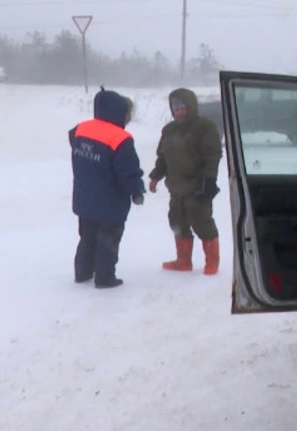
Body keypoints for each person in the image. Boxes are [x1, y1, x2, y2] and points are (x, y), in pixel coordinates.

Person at [69, 87, 145, 289]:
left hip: (84, 198)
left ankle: (82, 273)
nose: (129, 118)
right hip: (110, 203)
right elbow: (128, 170)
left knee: (87, 238)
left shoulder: (80, 129)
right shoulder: (120, 138)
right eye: (128, 114)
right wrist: (137, 191)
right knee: (107, 242)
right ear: (120, 113)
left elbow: (73, 139)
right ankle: (105, 278)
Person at [148, 88, 223, 275]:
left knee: (202, 223)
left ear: (191, 107)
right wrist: (156, 176)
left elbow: (213, 155)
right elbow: (163, 158)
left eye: (183, 108)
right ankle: (183, 261)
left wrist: (210, 180)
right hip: (176, 188)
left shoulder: (204, 127)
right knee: (177, 223)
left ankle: (212, 263)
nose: (179, 112)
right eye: (176, 108)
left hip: (197, 188)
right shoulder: (169, 130)